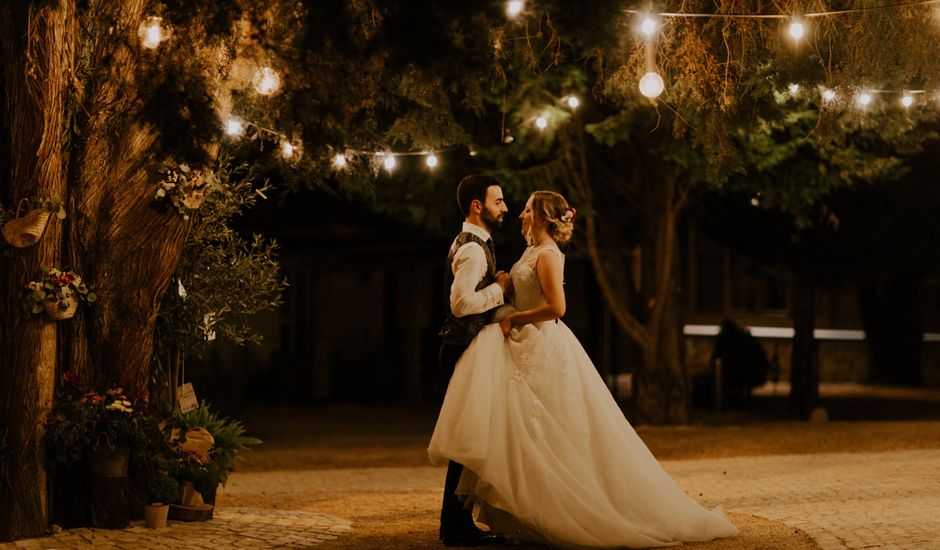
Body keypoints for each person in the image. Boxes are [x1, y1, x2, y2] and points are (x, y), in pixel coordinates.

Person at [429, 190, 740, 548]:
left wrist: (515, 320)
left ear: (543, 216)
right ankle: (531, 510)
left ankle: (572, 509)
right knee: (524, 432)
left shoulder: (548, 254)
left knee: (551, 431)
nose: (519, 214)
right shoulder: (530, 251)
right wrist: (506, 291)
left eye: (527, 209)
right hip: (520, 346)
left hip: (539, 345)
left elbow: (557, 308)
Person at [436, 174, 513, 547]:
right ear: (477, 206)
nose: (505, 208)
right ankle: (454, 527)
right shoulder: (471, 249)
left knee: (470, 439)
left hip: (464, 347)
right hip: (460, 348)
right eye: (498, 201)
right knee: (466, 441)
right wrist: (500, 289)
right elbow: (461, 303)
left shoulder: (475, 243)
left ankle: (457, 522)